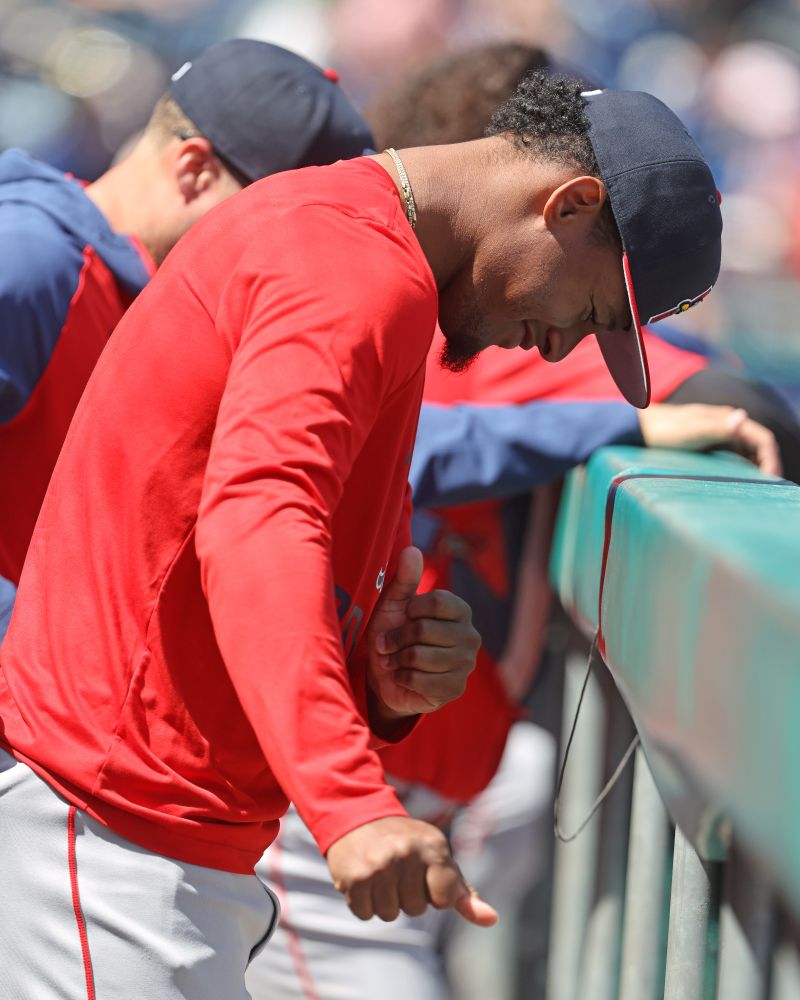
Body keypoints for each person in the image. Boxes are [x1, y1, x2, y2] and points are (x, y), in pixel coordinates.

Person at [0, 70, 725, 998]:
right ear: (571, 202)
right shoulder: (353, 262)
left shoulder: (373, 246)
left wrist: (374, 670)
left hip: (149, 830)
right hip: (110, 832)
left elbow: (233, 514)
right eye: (588, 311)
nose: (555, 347)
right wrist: (350, 805)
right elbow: (260, 514)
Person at [247, 44, 794, 1000]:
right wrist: (615, 418)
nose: (557, 332)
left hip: (377, 773)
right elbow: (739, 397)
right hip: (313, 785)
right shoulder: (414, 301)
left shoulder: (471, 307)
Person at [0, 38, 373, 605]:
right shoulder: (31, 260)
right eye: (278, 227)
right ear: (195, 170)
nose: (291, 261)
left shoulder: (152, 302)